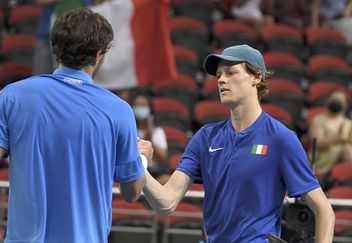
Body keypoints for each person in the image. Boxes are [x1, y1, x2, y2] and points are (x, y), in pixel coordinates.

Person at [0, 8, 147, 243]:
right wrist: (142, 159)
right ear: (98, 55)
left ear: (56, 50)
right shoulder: (120, 111)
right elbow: (132, 192)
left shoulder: (12, 96)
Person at [139, 44, 335, 242]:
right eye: (219, 75)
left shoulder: (281, 138)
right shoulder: (205, 137)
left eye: (231, 72)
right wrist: (139, 167)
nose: (222, 80)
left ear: (256, 77)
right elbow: (166, 202)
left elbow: (324, 210)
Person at [308, 90, 352, 180]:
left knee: (348, 150)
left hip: (343, 157)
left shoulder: (348, 123)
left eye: (339, 101)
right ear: (327, 101)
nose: (336, 102)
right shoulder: (319, 120)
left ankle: (345, 179)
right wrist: (338, 138)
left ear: (345, 104)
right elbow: (317, 144)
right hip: (322, 157)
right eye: (334, 100)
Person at [130, 91, 168, 175]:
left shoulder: (158, 131)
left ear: (149, 109)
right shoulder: (129, 130)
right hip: (134, 171)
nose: (140, 108)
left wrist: (150, 138)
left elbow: (163, 160)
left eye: (143, 105)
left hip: (155, 173)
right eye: (137, 105)